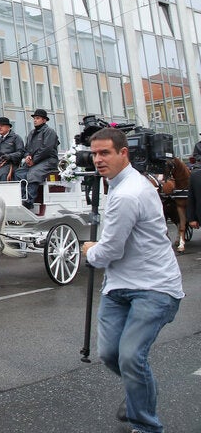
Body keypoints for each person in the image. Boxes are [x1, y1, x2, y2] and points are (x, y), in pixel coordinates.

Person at [80, 128, 183, 433]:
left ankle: (146, 425)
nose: (98, 160)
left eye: (105, 153)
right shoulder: (118, 185)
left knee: (130, 356)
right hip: (119, 287)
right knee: (110, 354)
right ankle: (139, 394)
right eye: (94, 154)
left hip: (154, 288)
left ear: (123, 153)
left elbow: (110, 250)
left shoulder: (128, 193)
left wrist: (90, 252)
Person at [15, 109, 60, 210]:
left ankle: (29, 201)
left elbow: (46, 149)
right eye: (34, 118)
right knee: (18, 173)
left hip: (49, 160)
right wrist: (27, 156)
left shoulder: (50, 132)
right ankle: (22, 197)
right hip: (34, 161)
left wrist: (33, 160)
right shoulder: (31, 133)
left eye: (37, 118)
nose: (35, 120)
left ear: (44, 120)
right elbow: (26, 149)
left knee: (34, 173)